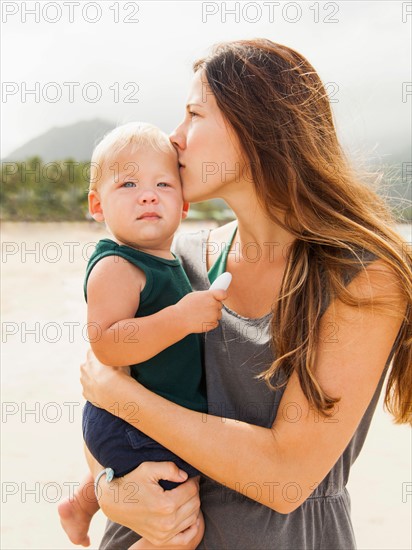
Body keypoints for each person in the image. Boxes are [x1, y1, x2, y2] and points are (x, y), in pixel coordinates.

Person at [80, 39, 412, 549]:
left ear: (256, 125)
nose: (175, 137)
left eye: (194, 114)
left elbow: (286, 476)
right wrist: (110, 491)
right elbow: (98, 400)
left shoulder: (362, 276)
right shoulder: (175, 260)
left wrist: (119, 396)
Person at [58, 122, 228, 549]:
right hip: (130, 425)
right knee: (183, 530)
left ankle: (82, 501)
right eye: (128, 183)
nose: (148, 194)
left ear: (184, 204)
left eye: (163, 184)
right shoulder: (117, 265)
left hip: (144, 419)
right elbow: (107, 343)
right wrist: (181, 319)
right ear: (97, 205)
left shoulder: (167, 261)